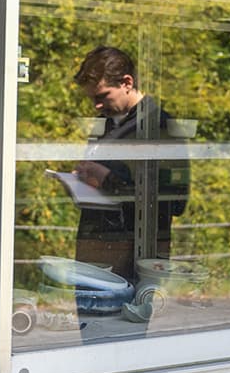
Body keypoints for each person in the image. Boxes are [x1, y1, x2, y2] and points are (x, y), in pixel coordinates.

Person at [72, 46, 188, 278]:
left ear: (127, 83)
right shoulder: (103, 123)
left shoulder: (159, 127)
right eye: (92, 98)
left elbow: (175, 201)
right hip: (94, 245)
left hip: (137, 251)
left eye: (102, 96)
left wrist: (107, 178)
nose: (96, 105)